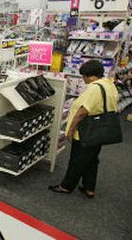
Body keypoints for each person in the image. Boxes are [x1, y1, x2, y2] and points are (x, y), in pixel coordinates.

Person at [49, 60, 118, 198]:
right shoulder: (109, 85)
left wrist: (70, 130)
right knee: (92, 159)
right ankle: (89, 187)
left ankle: (66, 186)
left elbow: (82, 112)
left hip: (86, 130)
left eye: (84, 77)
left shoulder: (94, 88)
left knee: (77, 160)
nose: (83, 79)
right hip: (100, 130)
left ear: (90, 76)